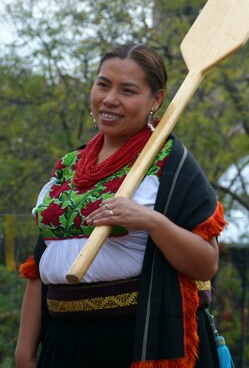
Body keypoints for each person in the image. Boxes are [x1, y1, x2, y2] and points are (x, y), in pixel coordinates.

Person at [15, 43, 227, 368]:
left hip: (134, 340)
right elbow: (41, 263)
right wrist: (25, 353)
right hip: (62, 344)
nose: (110, 99)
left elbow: (206, 265)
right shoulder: (67, 166)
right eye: (103, 84)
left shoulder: (171, 164)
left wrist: (151, 221)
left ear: (156, 100)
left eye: (128, 90)